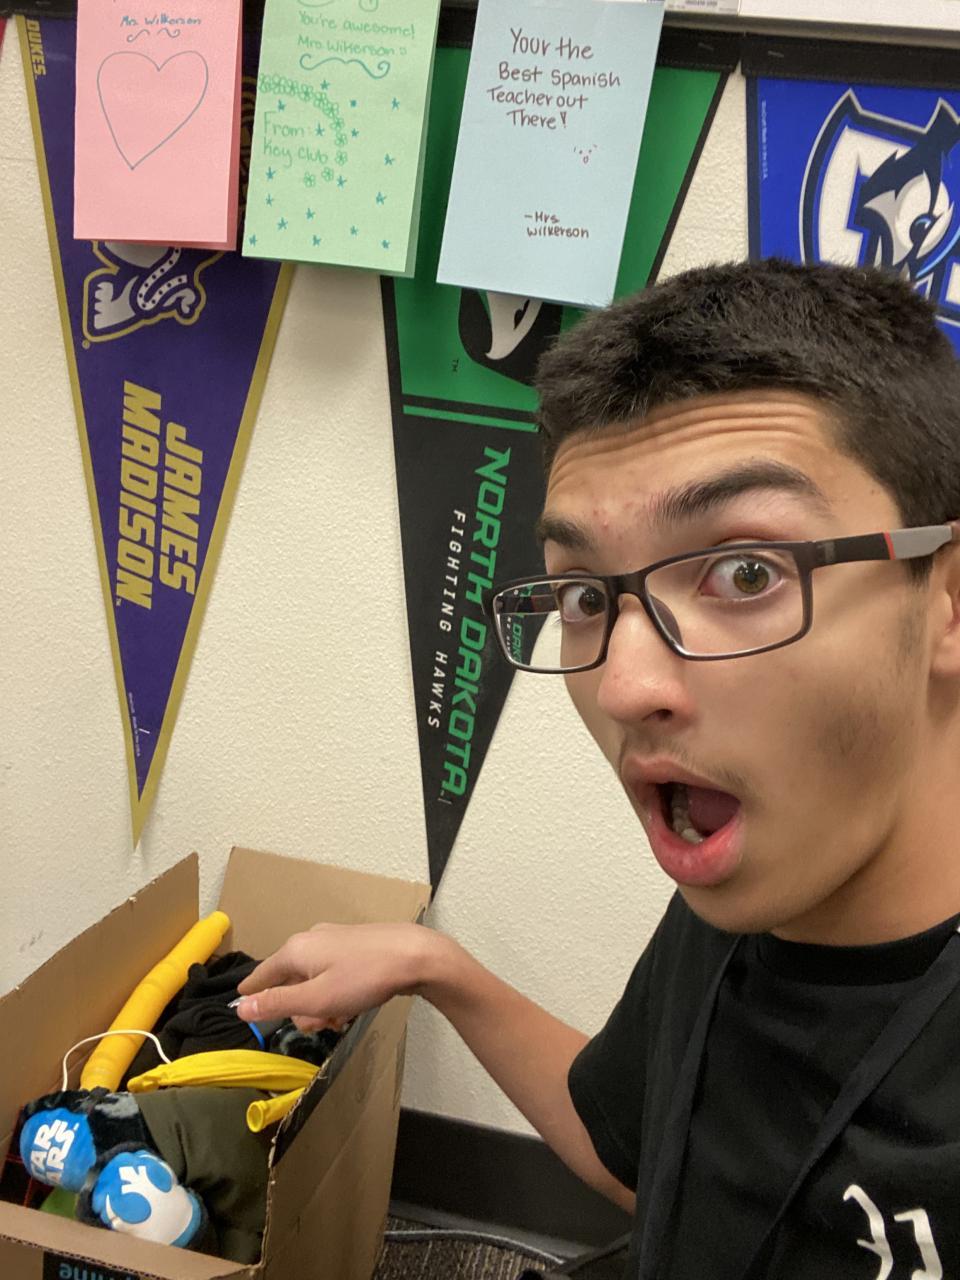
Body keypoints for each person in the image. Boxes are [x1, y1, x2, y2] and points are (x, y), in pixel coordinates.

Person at [235, 258, 960, 1279]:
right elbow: (646, 1159)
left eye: (745, 570)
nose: (624, 684)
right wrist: (435, 967)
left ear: (946, 602)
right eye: (583, 596)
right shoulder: (740, 891)